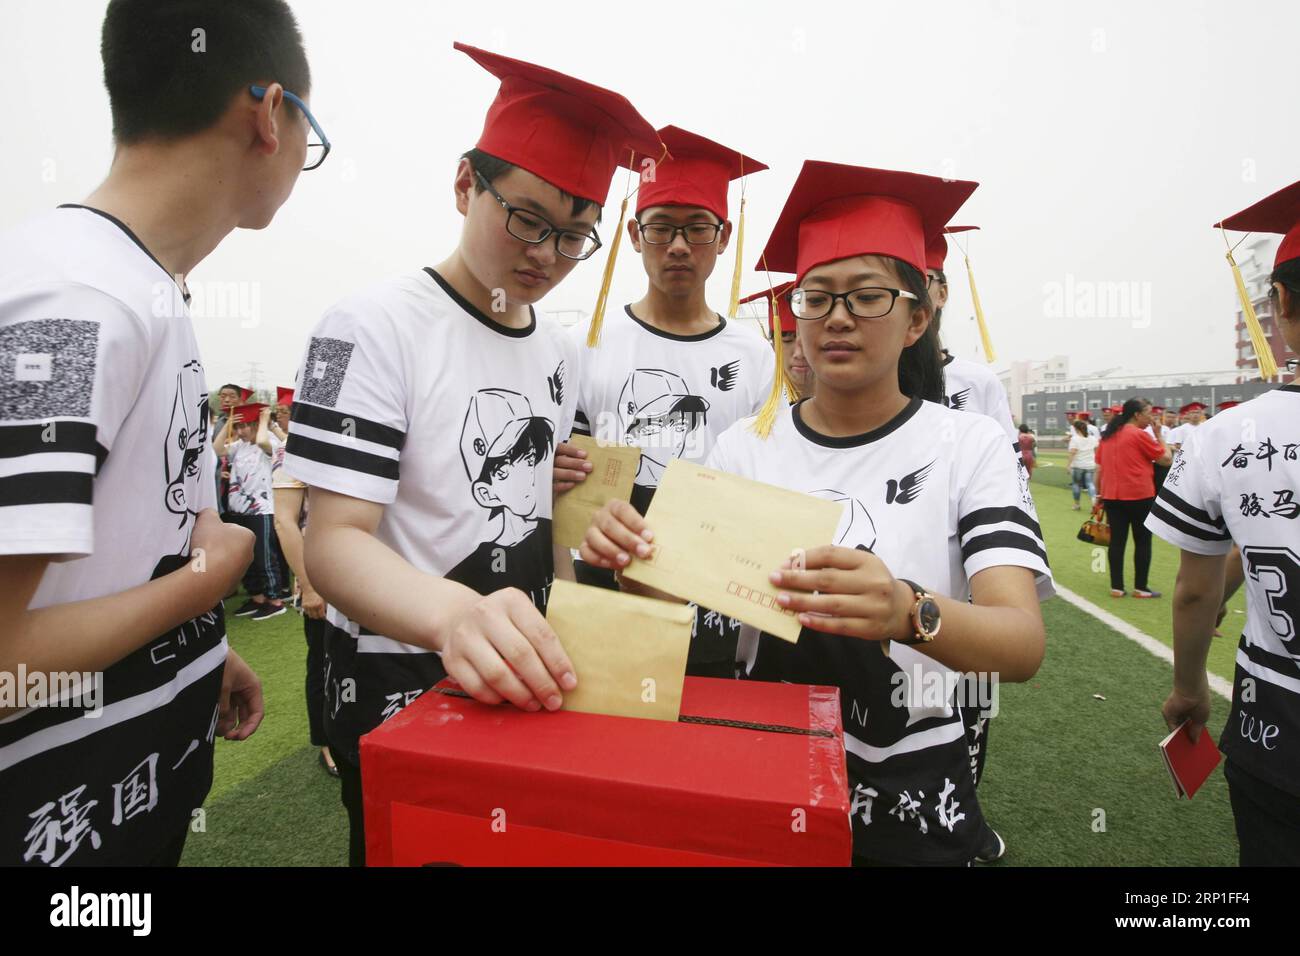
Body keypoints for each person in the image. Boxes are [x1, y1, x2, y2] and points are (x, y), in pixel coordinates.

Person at [582, 161, 1052, 866]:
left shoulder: (968, 445)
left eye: (867, 297)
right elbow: (674, 598)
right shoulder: (747, 447)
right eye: (816, 297)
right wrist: (630, 559)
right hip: (766, 764)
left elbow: (1021, 644)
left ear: (917, 316)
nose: (836, 317)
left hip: (911, 784)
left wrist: (906, 610)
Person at [284, 42, 660, 866]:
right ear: (465, 183)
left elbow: (545, 523)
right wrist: (456, 616)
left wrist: (585, 548)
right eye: (525, 219)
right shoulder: (373, 327)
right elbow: (335, 540)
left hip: (525, 672)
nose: (545, 257)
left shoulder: (559, 355)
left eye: (574, 237)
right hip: (401, 680)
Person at [0, 0, 317, 865]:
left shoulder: (138, 288)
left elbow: (121, 544)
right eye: (307, 132)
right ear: (269, 113)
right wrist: (209, 577)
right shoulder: (74, 301)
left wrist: (197, 650)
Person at [1149, 178, 1300, 864]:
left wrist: (1188, 688)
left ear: (1281, 307)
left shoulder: (1225, 436)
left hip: (1279, 723)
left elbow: (1193, 589)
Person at [268, 387, 336, 776]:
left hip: (361, 576)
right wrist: (309, 586)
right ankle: (325, 741)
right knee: (323, 662)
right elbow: (284, 521)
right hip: (320, 578)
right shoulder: (292, 452)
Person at [925, 226, 1019, 457]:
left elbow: (1011, 472)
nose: (910, 293)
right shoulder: (868, 382)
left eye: (920, 279)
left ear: (942, 293)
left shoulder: (978, 382)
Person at [213, 403, 286, 620]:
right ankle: (257, 597)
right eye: (240, 426)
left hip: (262, 510)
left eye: (246, 426)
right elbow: (215, 451)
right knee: (248, 559)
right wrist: (228, 424)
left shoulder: (269, 443)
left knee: (265, 557)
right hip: (239, 510)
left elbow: (263, 440)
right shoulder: (239, 446)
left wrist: (264, 422)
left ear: (256, 425)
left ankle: (275, 600)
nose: (241, 431)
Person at [1094, 398, 1171, 598]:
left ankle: (1117, 587)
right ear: (1137, 415)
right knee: (1143, 541)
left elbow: (1099, 469)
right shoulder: (1139, 435)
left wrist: (1099, 493)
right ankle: (1140, 587)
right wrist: (1159, 436)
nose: (1151, 417)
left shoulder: (1108, 436)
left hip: (1112, 495)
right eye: (1149, 413)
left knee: (1117, 541)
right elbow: (1166, 459)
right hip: (1139, 495)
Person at [739, 280, 812, 399]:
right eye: (787, 340)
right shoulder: (755, 402)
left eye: (808, 339)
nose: (800, 353)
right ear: (773, 345)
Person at [1067, 418, 1098, 510]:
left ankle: (1077, 504)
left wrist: (1068, 465)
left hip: (1078, 465)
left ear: (1076, 429)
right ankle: (1093, 502)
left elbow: (1072, 452)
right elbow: (1097, 451)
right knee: (1090, 484)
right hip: (1090, 464)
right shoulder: (1092, 438)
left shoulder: (1075, 439)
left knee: (1076, 485)